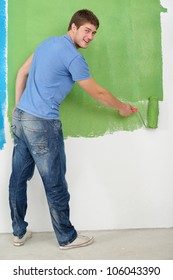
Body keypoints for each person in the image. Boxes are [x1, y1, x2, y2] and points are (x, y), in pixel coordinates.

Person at [9, 9, 135, 250]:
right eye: (87, 30)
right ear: (74, 27)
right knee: (55, 182)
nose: (90, 37)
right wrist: (121, 108)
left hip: (22, 119)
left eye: (94, 33)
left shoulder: (47, 44)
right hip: (43, 124)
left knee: (18, 179)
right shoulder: (73, 57)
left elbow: (22, 73)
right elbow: (97, 92)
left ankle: (18, 232)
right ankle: (67, 237)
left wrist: (18, 107)